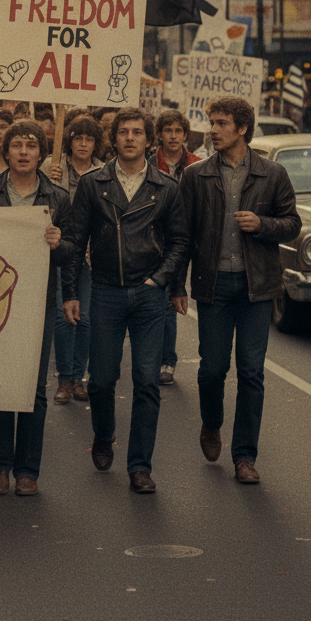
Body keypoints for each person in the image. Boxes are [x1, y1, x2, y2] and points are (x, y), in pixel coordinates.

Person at [176, 96, 301, 485]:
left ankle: (245, 456)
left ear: (242, 128)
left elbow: (292, 224)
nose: (212, 130)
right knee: (213, 369)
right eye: (212, 122)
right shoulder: (196, 175)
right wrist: (176, 283)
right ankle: (211, 423)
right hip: (212, 285)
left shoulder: (272, 174)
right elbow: (182, 233)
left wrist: (262, 224)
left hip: (256, 287)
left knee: (251, 372)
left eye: (221, 123)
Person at [64, 107, 189, 493]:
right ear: (113, 139)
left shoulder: (166, 186)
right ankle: (103, 434)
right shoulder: (92, 183)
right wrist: (70, 291)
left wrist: (161, 280)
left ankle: (140, 466)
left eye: (138, 132)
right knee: (101, 381)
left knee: (147, 381)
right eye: (123, 132)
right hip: (104, 290)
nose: (130, 138)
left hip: (149, 294)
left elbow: (181, 240)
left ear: (148, 140)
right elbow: (75, 239)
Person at [0, 119, 75, 496]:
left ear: (41, 153)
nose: (24, 152)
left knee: (34, 388)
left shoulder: (58, 198)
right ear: (5, 152)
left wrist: (60, 243)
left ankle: (27, 470)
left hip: (37, 302)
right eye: (17, 146)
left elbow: (71, 254)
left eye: (31, 146)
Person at [46, 114, 104, 405]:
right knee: (61, 314)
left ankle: (80, 378)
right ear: (68, 140)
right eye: (78, 138)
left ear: (96, 143)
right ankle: (64, 379)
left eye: (89, 139)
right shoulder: (53, 166)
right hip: (61, 249)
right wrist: (49, 180)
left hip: (91, 252)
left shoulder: (104, 172)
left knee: (86, 316)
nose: (83, 144)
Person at [153, 108, 201, 386]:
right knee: (154, 301)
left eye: (178, 131)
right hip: (155, 239)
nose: (173, 136)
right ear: (159, 134)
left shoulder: (197, 165)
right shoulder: (148, 162)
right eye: (168, 130)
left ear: (185, 135)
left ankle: (167, 361)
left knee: (172, 298)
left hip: (185, 240)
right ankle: (153, 358)